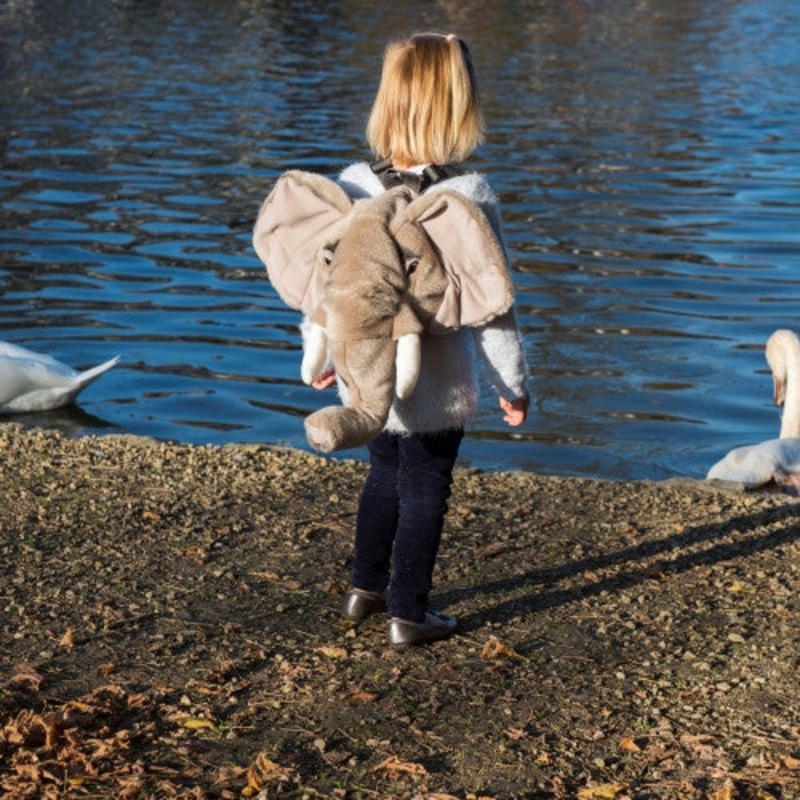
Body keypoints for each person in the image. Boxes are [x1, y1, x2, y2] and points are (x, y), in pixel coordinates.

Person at [310, 32, 530, 646]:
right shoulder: (467, 196)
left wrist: (327, 349)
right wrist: (514, 384)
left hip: (367, 364)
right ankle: (409, 611)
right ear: (461, 108)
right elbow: (492, 307)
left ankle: (365, 587)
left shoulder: (354, 183)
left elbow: (328, 281)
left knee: (383, 473)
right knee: (426, 484)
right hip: (436, 380)